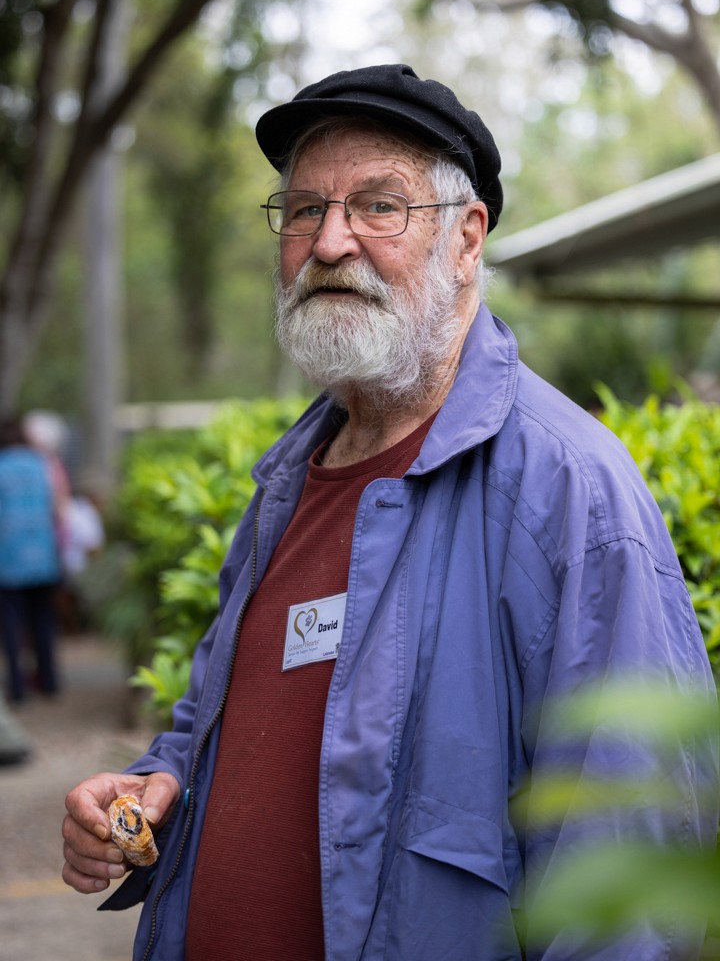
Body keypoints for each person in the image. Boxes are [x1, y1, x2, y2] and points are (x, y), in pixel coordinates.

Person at [62, 64, 718, 960]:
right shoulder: (284, 485)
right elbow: (231, 723)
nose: (330, 241)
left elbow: (630, 874)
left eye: (380, 206)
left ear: (466, 241)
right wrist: (153, 786)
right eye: (302, 210)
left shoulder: (568, 493)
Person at [0, 416, 63, 700]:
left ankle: (17, 686)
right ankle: (49, 681)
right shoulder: (41, 465)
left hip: (9, 558)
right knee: (43, 620)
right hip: (43, 554)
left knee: (12, 624)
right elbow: (57, 507)